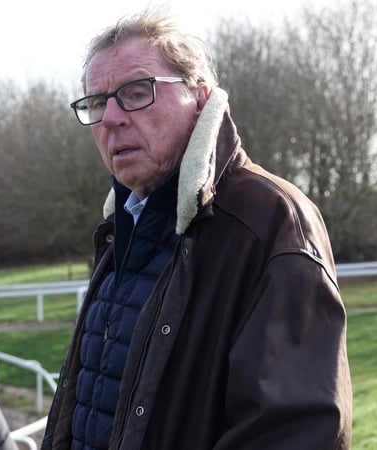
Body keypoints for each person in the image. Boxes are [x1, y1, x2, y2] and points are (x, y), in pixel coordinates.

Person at [42, 6, 352, 450]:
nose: (110, 118)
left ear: (200, 97)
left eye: (135, 92)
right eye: (96, 102)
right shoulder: (123, 229)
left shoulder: (270, 221)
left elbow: (294, 433)